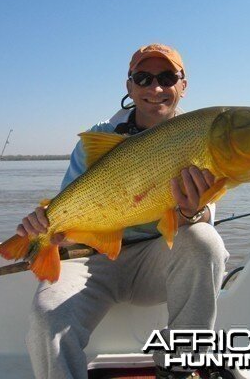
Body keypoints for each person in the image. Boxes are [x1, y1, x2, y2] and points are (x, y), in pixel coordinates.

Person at [17, 44, 229, 379]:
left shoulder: (200, 133)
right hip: (93, 259)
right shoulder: (99, 137)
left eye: (167, 77)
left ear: (183, 85)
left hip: (158, 262)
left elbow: (203, 218)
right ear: (129, 87)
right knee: (48, 318)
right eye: (143, 78)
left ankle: (181, 367)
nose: (155, 88)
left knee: (204, 240)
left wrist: (191, 211)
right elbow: (69, 211)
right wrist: (45, 227)